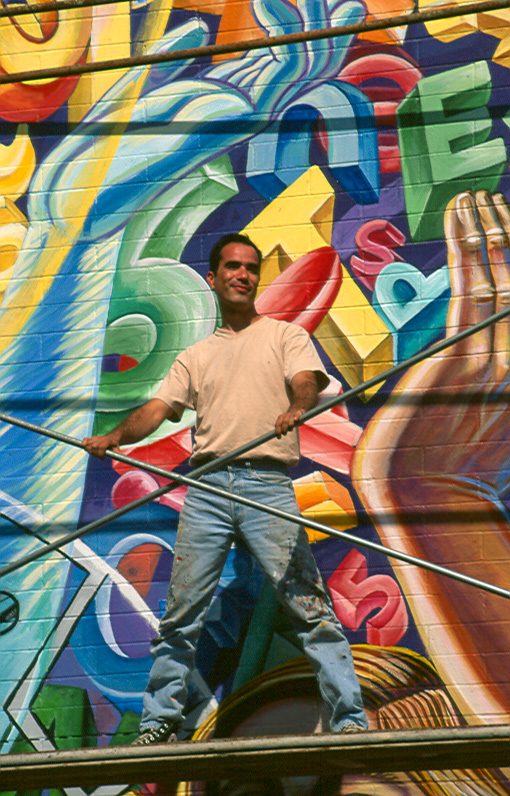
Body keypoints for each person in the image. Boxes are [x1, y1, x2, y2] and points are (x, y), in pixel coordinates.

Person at [83, 232, 368, 743]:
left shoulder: (284, 337)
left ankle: (349, 717)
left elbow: (308, 379)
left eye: (252, 268)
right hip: (209, 489)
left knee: (307, 605)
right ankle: (158, 722)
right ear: (213, 278)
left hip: (266, 484)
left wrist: (298, 405)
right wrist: (113, 437)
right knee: (182, 614)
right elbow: (158, 410)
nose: (244, 275)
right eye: (233, 267)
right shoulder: (197, 356)